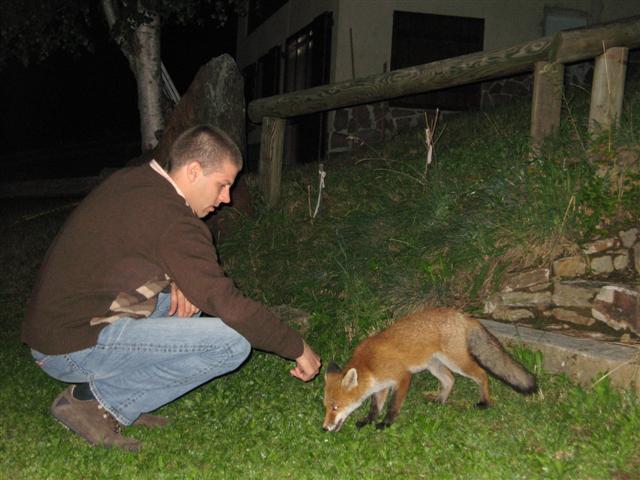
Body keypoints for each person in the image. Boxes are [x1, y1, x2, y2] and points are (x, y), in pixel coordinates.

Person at [21, 125, 321, 452]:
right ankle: (97, 400)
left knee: (183, 305)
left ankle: (125, 397)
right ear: (194, 171)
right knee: (232, 343)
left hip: (56, 329)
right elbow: (227, 303)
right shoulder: (176, 223)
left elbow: (135, 248)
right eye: (222, 184)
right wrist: (296, 347)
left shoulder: (135, 182)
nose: (227, 198)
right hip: (71, 345)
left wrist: (177, 278)